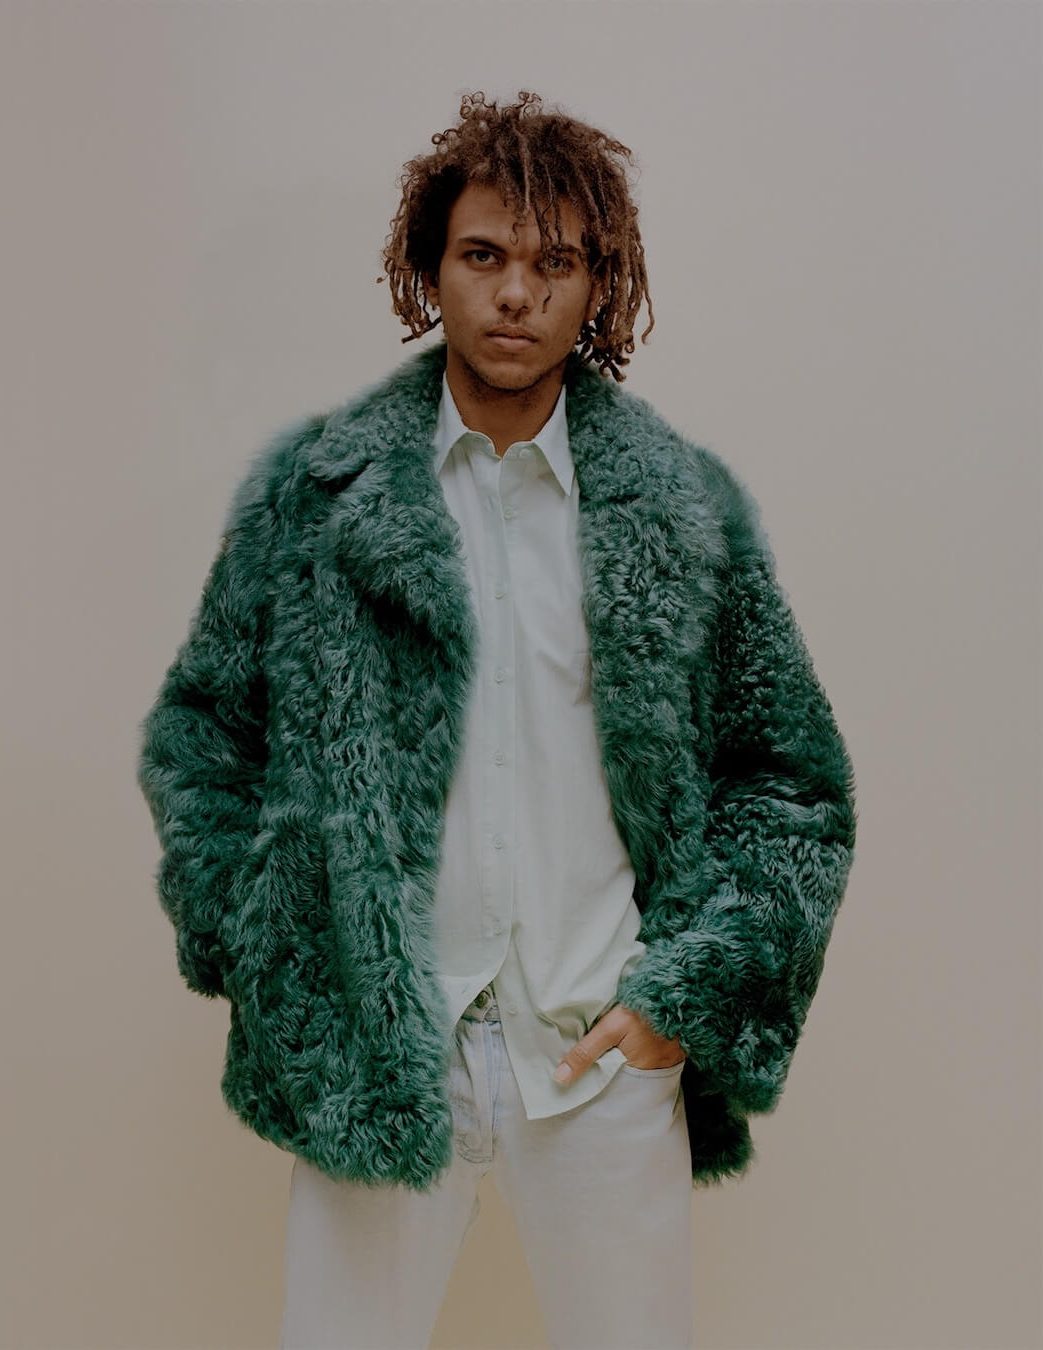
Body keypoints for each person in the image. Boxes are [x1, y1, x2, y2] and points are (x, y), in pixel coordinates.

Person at [136, 90, 857, 1350]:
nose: (516, 293)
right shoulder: (318, 496)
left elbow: (788, 781)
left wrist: (680, 998)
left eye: (554, 262)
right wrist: (275, 949)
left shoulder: (684, 510)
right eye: (483, 255)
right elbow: (203, 736)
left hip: (599, 1057)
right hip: (379, 1041)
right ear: (430, 269)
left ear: (599, 287)